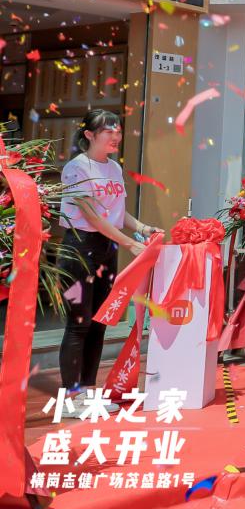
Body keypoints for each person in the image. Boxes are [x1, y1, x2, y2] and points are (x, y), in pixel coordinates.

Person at [58, 110, 162, 405]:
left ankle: (87, 392)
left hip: (107, 248)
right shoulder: (76, 168)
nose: (116, 136)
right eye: (108, 131)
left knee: (99, 321)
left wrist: (143, 228)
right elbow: (92, 215)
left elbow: (117, 212)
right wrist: (129, 243)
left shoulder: (114, 167)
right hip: (79, 248)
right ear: (89, 135)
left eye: (118, 130)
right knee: (79, 323)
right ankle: (71, 397)